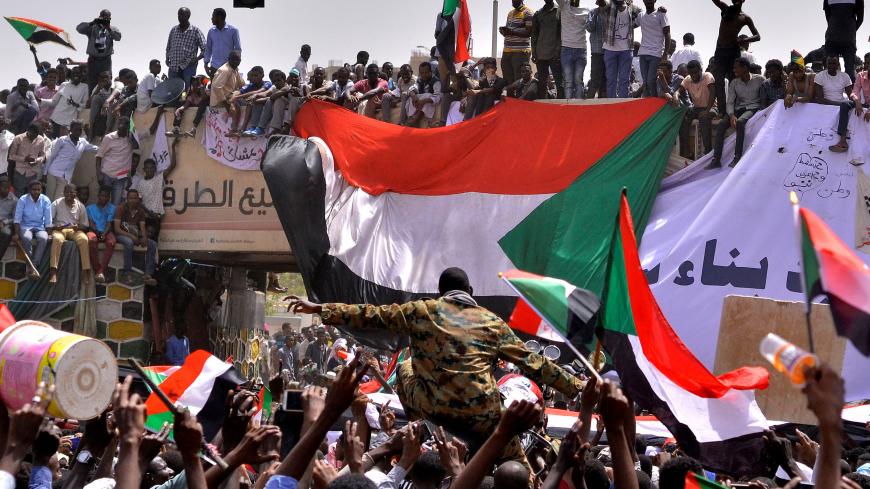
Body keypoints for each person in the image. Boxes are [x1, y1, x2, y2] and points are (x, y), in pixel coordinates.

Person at [286, 267, 583, 468]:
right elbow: (535, 363)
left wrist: (320, 309)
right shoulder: (492, 323)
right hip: (483, 417)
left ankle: (420, 426)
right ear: (470, 290)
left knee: (404, 370)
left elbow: (371, 315)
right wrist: (577, 387)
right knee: (520, 472)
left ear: (440, 291)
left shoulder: (421, 311)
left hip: (435, 410)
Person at [711, 57, 763, 169]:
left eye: (736, 68)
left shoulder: (760, 80)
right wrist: (731, 115)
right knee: (721, 125)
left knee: (740, 122)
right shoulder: (734, 83)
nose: (734, 70)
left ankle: (737, 157)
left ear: (745, 67)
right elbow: (729, 102)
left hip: (752, 108)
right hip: (738, 109)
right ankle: (716, 160)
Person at [711, 0, 760, 115]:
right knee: (718, 81)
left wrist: (744, 40)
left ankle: (735, 110)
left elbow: (757, 36)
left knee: (735, 81)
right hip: (720, 50)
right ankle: (722, 112)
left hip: (733, 51)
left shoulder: (745, 18)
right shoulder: (725, 8)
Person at [814, 55, 858, 152]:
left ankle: (843, 142)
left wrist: (856, 102)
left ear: (838, 64)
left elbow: (851, 95)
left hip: (842, 107)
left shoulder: (844, 76)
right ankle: (842, 141)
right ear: (826, 64)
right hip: (826, 107)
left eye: (834, 63)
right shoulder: (819, 76)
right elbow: (820, 99)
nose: (831, 65)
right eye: (829, 63)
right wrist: (840, 105)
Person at [44, 121, 98, 201]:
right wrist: (45, 173)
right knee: (49, 199)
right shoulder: (62, 140)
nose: (78, 132)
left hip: (65, 177)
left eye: (80, 130)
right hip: (53, 173)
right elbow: (52, 156)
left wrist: (107, 148)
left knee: (58, 201)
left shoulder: (82, 142)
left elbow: (94, 149)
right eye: (76, 130)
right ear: (71, 130)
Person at [114, 189, 157, 286]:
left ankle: (148, 274)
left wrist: (144, 237)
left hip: (134, 234)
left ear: (138, 199)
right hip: (121, 235)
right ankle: (127, 272)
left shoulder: (140, 211)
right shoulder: (120, 208)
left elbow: (142, 227)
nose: (133, 200)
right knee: (129, 243)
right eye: (130, 198)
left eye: (135, 198)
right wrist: (131, 236)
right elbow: (116, 229)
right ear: (127, 199)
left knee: (152, 244)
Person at [49, 184, 91, 285]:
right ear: (63, 193)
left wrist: (78, 227)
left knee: (84, 239)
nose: (69, 194)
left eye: (72, 192)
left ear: (75, 194)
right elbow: (48, 221)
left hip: (74, 230)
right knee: (57, 239)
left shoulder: (80, 205)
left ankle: (85, 271)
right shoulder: (56, 203)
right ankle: (53, 271)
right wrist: (55, 227)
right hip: (59, 229)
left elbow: (85, 225)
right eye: (67, 192)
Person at [131, 153, 176, 239]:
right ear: (144, 169)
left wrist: (173, 147)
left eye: (151, 168)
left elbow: (173, 165)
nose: (149, 170)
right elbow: (139, 202)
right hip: (145, 217)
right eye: (147, 168)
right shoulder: (140, 183)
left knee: (153, 242)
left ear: (155, 169)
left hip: (156, 217)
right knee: (143, 241)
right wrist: (149, 212)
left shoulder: (159, 179)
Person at [677, 60, 716, 158]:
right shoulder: (688, 79)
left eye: (695, 72)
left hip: (711, 107)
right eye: (691, 73)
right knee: (683, 119)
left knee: (704, 118)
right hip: (696, 108)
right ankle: (686, 150)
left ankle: (708, 152)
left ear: (700, 70)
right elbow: (679, 91)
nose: (693, 75)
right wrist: (676, 96)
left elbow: (713, 93)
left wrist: (707, 110)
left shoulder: (707, 76)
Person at [603, 0, 642, 98]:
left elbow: (644, 16)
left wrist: (659, 11)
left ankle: (623, 104)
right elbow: (601, 3)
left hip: (626, 49)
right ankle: (611, 104)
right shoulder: (609, 5)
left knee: (624, 79)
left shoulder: (633, 8)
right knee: (611, 80)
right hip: (610, 48)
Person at [14, 180, 51, 278]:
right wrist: (17, 233)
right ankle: (32, 265)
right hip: (26, 226)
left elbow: (48, 220)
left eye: (39, 190)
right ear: (29, 190)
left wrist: (49, 233)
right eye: (34, 190)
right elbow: (17, 218)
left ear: (41, 190)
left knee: (43, 238)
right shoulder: (23, 199)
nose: (37, 192)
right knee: (26, 238)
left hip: (40, 226)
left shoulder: (46, 200)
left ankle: (33, 265)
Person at [76, 10, 122, 91]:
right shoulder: (92, 28)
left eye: (106, 17)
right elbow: (79, 29)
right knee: (92, 84)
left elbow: (118, 38)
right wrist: (92, 22)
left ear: (110, 18)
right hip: (93, 60)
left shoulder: (112, 29)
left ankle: (104, 101)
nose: (104, 19)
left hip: (106, 61)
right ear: (99, 16)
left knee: (106, 83)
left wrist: (109, 29)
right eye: (102, 17)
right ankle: (91, 100)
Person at [96, 118, 134, 205]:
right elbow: (99, 156)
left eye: (123, 128)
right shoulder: (109, 138)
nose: (120, 130)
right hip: (107, 176)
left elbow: (148, 132)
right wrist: (98, 174)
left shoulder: (132, 138)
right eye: (119, 127)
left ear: (128, 128)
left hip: (121, 177)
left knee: (115, 204)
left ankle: (111, 219)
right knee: (103, 202)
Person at [166, 7, 206, 90]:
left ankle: (186, 103)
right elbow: (168, 46)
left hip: (188, 66)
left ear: (188, 16)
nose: (179, 16)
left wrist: (197, 58)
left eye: (181, 14)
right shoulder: (173, 30)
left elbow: (205, 49)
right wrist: (167, 58)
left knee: (188, 89)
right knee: (173, 90)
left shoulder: (195, 31)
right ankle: (175, 103)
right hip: (174, 67)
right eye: (178, 14)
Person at [637, 0, 671, 97]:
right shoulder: (640, 15)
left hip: (655, 53)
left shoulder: (661, 14)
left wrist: (665, 53)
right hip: (643, 53)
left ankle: (654, 101)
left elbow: (667, 34)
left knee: (651, 80)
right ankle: (647, 104)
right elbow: (632, 23)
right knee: (645, 82)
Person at [824, 0, 863, 82]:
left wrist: (850, 31)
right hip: (831, 40)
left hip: (848, 41)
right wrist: (835, 29)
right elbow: (828, 16)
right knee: (830, 71)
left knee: (849, 74)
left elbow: (860, 18)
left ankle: (849, 94)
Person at [533, 0, 566, 100]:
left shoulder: (560, 11)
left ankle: (560, 105)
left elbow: (562, 33)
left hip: (555, 53)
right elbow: (534, 34)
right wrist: (534, 52)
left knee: (559, 81)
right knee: (542, 82)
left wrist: (558, 50)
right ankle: (542, 106)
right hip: (540, 53)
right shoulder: (538, 14)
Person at [46, 66, 88, 139]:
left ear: (81, 75)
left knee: (65, 144)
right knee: (53, 144)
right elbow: (54, 101)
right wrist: (40, 100)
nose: (76, 75)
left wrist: (75, 104)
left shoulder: (84, 87)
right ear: (70, 74)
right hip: (56, 118)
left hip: (70, 122)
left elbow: (84, 105)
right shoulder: (64, 84)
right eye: (74, 73)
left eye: (78, 73)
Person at [499, 0, 535, 86]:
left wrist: (511, 32)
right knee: (507, 80)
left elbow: (529, 32)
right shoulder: (510, 13)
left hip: (520, 52)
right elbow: (511, 30)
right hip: (507, 51)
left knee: (519, 80)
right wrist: (504, 32)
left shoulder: (528, 12)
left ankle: (518, 99)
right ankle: (510, 98)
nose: (513, 1)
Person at [7, 123, 47, 196]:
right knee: (18, 195)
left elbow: (43, 155)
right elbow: (11, 156)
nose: (34, 137)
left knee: (31, 196)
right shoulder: (18, 138)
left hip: (33, 173)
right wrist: (25, 159)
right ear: (28, 131)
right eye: (32, 135)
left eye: (36, 135)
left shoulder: (40, 139)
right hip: (20, 172)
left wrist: (37, 160)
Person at [86, 186, 116, 283]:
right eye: (102, 196)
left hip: (106, 231)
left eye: (107, 196)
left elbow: (109, 224)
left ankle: (101, 271)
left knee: (111, 242)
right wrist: (98, 233)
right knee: (92, 241)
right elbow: (91, 224)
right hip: (94, 231)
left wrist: (103, 234)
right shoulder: (90, 208)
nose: (104, 198)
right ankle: (97, 270)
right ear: (98, 196)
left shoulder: (112, 208)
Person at [203, 8, 241, 78]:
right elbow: (208, 49)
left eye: (213, 16)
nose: (211, 19)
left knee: (228, 88)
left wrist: (235, 64)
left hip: (229, 67)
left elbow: (238, 49)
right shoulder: (211, 31)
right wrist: (205, 64)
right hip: (214, 68)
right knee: (214, 88)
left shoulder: (233, 30)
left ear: (219, 17)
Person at [405, 63, 442, 127]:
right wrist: (414, 96)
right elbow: (412, 88)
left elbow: (438, 97)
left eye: (426, 72)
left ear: (431, 72)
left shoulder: (436, 82)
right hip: (419, 103)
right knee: (411, 97)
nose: (424, 75)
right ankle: (412, 117)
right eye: (422, 73)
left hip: (431, 105)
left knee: (428, 95)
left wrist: (424, 101)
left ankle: (416, 118)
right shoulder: (419, 80)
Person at [209, 50, 244, 115]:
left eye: (238, 60)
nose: (236, 62)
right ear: (229, 59)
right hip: (220, 104)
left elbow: (242, 84)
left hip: (228, 100)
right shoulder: (225, 70)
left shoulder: (235, 69)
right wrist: (227, 106)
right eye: (234, 59)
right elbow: (217, 87)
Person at [586, 0, 608, 98]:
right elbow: (590, 28)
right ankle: (589, 103)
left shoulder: (611, 12)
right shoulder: (592, 12)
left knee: (606, 80)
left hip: (610, 51)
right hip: (597, 51)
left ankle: (603, 105)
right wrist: (596, 14)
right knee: (595, 79)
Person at [0, 176, 18, 262]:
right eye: (4, 188)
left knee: (6, 234)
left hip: (6, 224)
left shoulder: (14, 200)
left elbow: (15, 218)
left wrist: (4, 222)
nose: (6, 190)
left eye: (8, 188)